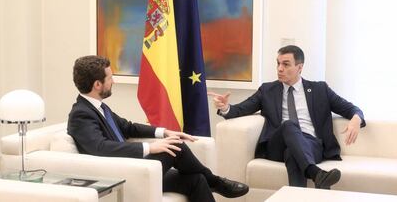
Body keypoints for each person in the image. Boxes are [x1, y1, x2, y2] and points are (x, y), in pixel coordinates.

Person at [68, 55, 249, 202]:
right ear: (97, 85)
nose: (113, 81)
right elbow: (100, 148)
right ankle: (217, 182)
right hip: (122, 173)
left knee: (196, 180)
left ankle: (212, 181)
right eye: (110, 77)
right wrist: (150, 147)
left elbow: (128, 127)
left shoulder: (99, 107)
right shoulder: (81, 114)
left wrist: (163, 132)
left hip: (134, 167)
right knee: (175, 147)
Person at [209, 45, 366, 189]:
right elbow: (240, 109)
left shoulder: (320, 89)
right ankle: (314, 172)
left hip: (311, 145)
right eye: (278, 63)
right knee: (289, 125)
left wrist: (356, 119)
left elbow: (352, 109)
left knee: (292, 154)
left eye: (285, 64)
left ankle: (312, 182)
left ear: (300, 67)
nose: (279, 69)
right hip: (277, 144)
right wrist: (225, 108)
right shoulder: (267, 90)